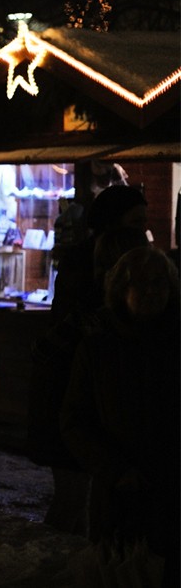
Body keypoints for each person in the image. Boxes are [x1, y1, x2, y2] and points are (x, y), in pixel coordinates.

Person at [28, 184, 149, 533]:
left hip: (88, 403)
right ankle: (57, 561)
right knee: (73, 499)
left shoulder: (122, 266)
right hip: (70, 398)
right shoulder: (89, 273)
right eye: (136, 222)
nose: (143, 230)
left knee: (88, 502)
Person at [61, 247, 179, 584]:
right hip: (120, 498)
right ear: (120, 290)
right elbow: (75, 421)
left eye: (159, 284)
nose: (151, 292)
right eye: (140, 284)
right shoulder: (98, 349)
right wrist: (115, 470)